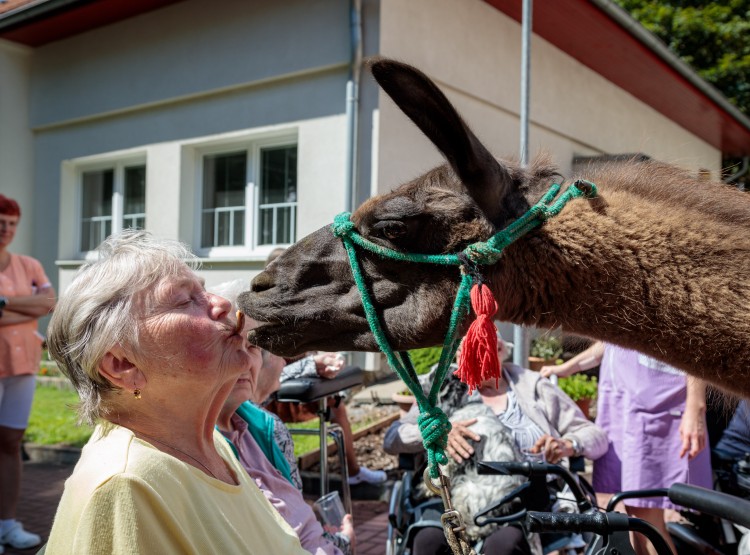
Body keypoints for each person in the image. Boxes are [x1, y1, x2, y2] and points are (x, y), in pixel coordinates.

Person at [44, 231, 308, 554]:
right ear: (122, 365)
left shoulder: (211, 445)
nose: (223, 303)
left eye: (204, 290)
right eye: (185, 300)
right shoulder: (129, 485)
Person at [384, 337, 608, 555]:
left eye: (485, 347)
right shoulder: (441, 387)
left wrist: (567, 444)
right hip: (448, 497)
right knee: (427, 541)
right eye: (464, 349)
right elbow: (393, 438)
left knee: (505, 546)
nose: (474, 355)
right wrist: (435, 433)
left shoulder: (531, 386)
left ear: (501, 351)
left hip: (521, 497)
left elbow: (595, 436)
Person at [210, 279, 354, 554]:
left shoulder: (258, 426)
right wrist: (344, 543)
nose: (245, 360)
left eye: (252, 346)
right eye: (228, 343)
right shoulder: (200, 443)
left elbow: (295, 512)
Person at [541, 341, 712, 555]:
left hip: (655, 407)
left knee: (646, 518)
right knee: (634, 512)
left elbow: (694, 343)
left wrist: (695, 405)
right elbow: (611, 340)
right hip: (625, 408)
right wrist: (568, 367)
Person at [264, 248, 386, 486]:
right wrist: (312, 364)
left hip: (303, 383)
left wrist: (328, 360)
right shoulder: (263, 311)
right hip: (271, 391)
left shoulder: (301, 304)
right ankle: (279, 479)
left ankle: (353, 472)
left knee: (337, 405)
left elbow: (314, 346)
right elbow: (265, 371)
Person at [0, 194, 56, 551]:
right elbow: (39, 306)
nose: (6, 229)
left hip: (22, 363)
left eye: (11, 223)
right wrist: (30, 309)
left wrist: (4, 304)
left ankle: (7, 523)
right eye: (0, 222)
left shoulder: (29, 264)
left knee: (9, 442)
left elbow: (50, 303)